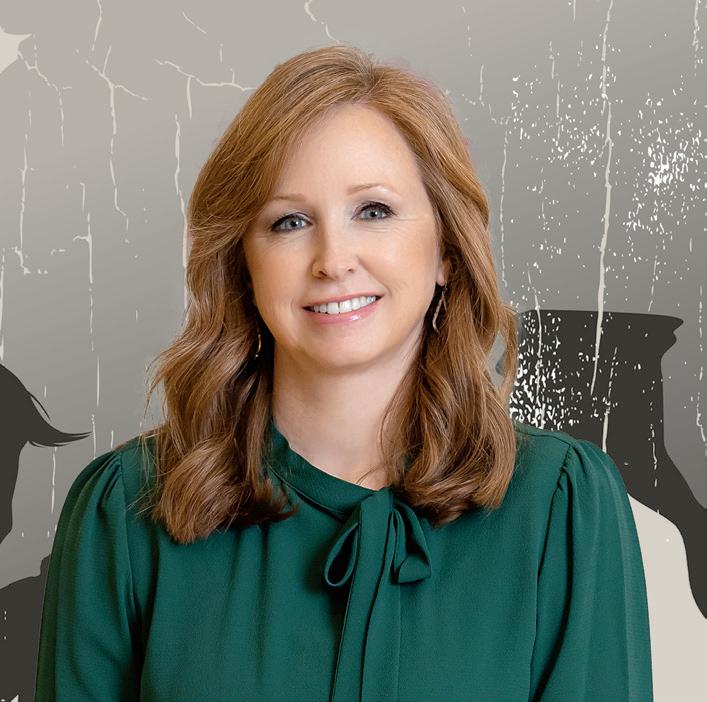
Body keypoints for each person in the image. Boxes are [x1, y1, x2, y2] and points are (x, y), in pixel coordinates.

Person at [35, 44, 653, 701]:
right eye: (289, 221)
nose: (333, 259)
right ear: (243, 265)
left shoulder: (562, 506)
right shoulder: (124, 512)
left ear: (446, 249)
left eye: (373, 211)